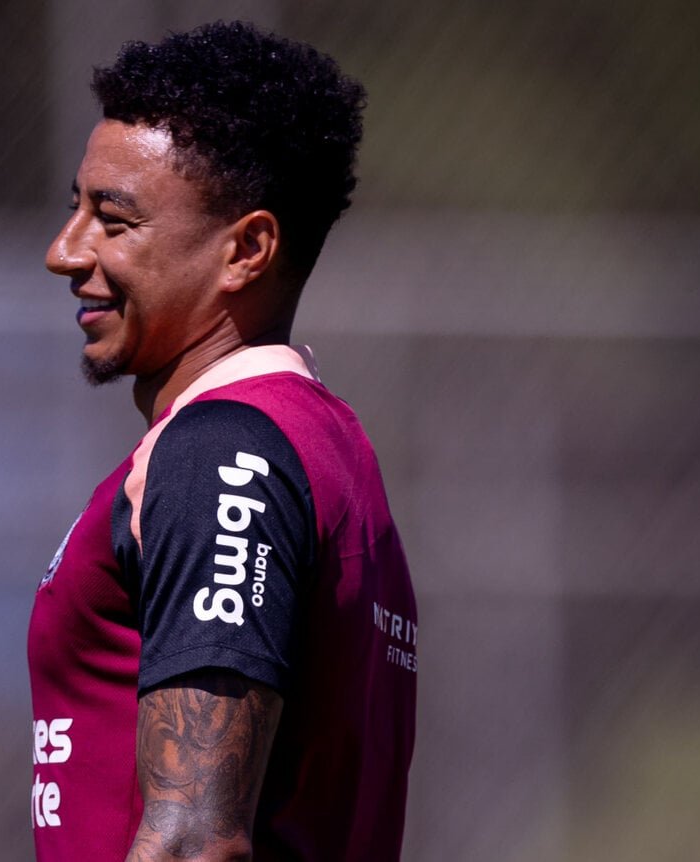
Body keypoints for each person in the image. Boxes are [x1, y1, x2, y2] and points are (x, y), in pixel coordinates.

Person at [28, 21, 417, 861]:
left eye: (113, 220)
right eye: (75, 209)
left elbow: (192, 843)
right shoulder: (323, 442)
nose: (65, 252)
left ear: (246, 250)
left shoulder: (220, 457)